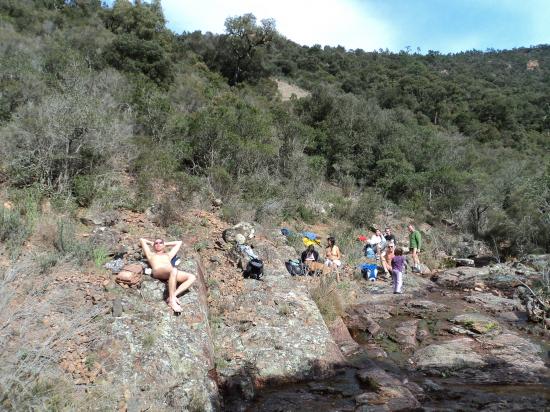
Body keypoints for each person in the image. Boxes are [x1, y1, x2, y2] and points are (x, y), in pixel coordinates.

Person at [140, 238, 196, 313]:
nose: (158, 244)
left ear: (163, 245)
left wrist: (165, 244)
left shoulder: (168, 255)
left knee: (192, 277)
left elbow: (179, 242)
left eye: (160, 243)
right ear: (153, 246)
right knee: (174, 270)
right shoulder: (151, 254)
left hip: (171, 272)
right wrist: (151, 243)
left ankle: (172, 296)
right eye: (156, 243)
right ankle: (172, 301)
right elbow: (142, 240)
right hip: (158, 271)